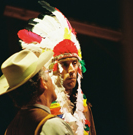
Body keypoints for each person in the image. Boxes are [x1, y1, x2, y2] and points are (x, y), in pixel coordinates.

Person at [17, 1, 97, 134]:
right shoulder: (43, 110)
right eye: (64, 64)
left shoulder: (84, 107)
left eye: (74, 63)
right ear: (52, 69)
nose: (71, 70)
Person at [0, 49, 74, 135]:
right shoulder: (53, 126)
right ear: (43, 82)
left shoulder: (10, 130)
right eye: (48, 72)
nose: (51, 77)